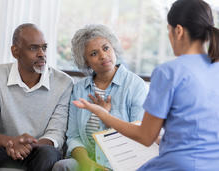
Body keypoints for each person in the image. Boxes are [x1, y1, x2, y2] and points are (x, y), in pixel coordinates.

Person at [72, 0, 219, 170]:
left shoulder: (168, 72)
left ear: (178, 31)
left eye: (168, 31)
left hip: (177, 165)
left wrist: (103, 114)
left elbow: (146, 136)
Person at [52, 24, 148, 171]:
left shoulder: (136, 86)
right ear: (86, 62)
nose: (103, 56)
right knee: (63, 166)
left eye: (106, 48)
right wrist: (87, 163)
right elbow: (73, 136)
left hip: (121, 163)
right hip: (87, 162)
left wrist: (107, 117)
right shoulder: (79, 89)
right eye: (94, 54)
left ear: (113, 48)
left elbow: (138, 136)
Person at [0, 23, 73, 171]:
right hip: (4, 147)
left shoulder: (64, 83)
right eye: (33, 48)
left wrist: (29, 146)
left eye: (44, 47)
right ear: (15, 52)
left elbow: (56, 133)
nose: (42, 53)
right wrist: (11, 142)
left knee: (49, 154)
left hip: (39, 150)